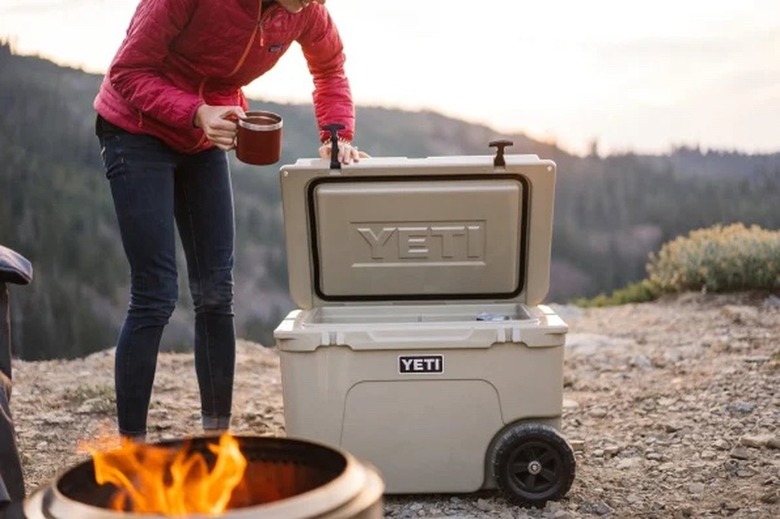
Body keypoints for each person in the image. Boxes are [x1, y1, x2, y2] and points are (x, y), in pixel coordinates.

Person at [93, 0, 363, 441]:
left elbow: (329, 68)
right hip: (135, 131)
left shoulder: (306, 9)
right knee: (156, 293)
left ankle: (217, 441)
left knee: (216, 291)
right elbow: (127, 72)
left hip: (203, 139)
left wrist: (336, 136)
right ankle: (131, 449)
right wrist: (196, 111)